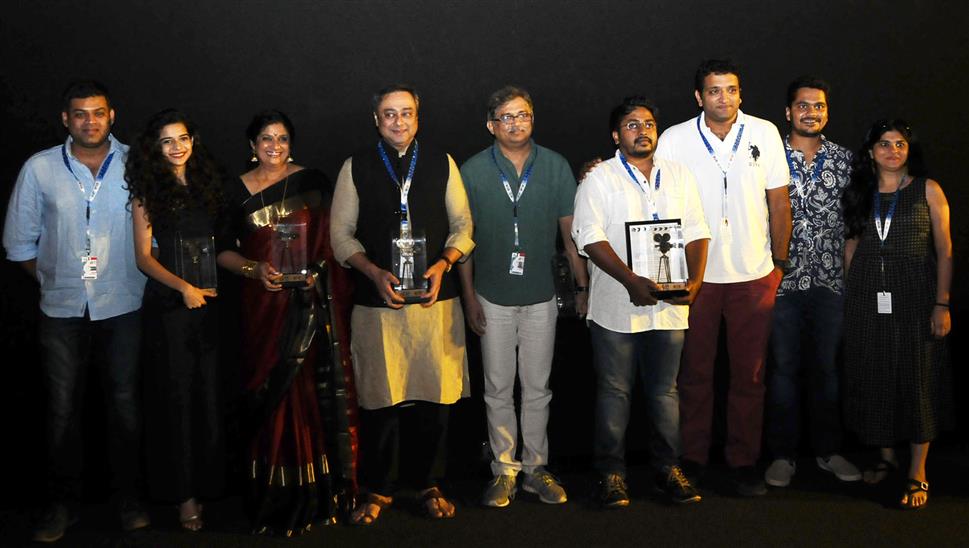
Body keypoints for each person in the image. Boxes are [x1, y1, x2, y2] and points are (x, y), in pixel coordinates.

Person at [3, 80, 149, 542]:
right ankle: (60, 507)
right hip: (62, 308)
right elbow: (19, 243)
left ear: (113, 115)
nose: (90, 121)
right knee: (62, 411)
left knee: (124, 407)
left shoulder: (139, 165)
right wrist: (55, 279)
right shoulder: (39, 168)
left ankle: (129, 501)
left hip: (124, 304)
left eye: (98, 113)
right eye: (80, 114)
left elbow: (157, 238)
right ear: (65, 119)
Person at [331, 84, 474, 524]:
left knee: (435, 401)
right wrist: (373, 272)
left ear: (418, 117)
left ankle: (429, 484)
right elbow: (340, 237)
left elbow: (463, 224)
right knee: (380, 400)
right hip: (378, 303)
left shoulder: (441, 162)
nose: (398, 121)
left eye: (406, 113)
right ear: (376, 120)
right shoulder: (355, 166)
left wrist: (444, 264)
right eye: (389, 114)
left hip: (435, 300)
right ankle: (377, 488)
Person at [654, 59, 792, 496]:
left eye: (731, 89)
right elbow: (653, 194)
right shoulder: (674, 139)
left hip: (754, 274)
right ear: (699, 97)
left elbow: (779, 202)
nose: (723, 98)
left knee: (748, 376)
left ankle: (742, 461)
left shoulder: (765, 132)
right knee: (693, 374)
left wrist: (779, 263)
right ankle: (692, 458)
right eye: (714, 91)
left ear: (741, 93)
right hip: (698, 278)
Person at [218, 110, 358, 535]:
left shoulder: (312, 183)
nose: (274, 147)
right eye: (265, 139)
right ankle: (268, 497)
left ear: (291, 143)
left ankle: (317, 495)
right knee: (269, 390)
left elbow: (332, 244)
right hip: (262, 308)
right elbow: (223, 250)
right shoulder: (235, 191)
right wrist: (254, 270)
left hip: (310, 307)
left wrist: (315, 276)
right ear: (252, 146)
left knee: (307, 395)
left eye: (281, 139)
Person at [573, 96, 711, 507]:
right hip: (617, 305)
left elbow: (698, 230)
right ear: (616, 135)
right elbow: (588, 236)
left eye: (648, 123)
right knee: (614, 392)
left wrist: (697, 283)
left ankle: (668, 469)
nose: (642, 131)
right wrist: (631, 280)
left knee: (665, 393)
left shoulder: (680, 175)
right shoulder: (599, 179)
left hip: (670, 307)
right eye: (631, 125)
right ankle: (611, 475)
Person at [458, 86, 588, 508]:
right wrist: (469, 299)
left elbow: (571, 238)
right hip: (491, 296)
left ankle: (535, 468)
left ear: (534, 119)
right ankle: (504, 470)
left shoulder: (554, 166)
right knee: (497, 387)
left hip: (542, 296)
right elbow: (462, 242)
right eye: (506, 117)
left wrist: (581, 289)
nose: (516, 123)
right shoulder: (473, 170)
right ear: (491, 125)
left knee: (538, 387)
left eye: (523, 115)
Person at [841, 119, 953, 510]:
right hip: (867, 299)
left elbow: (946, 251)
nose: (893, 151)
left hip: (916, 298)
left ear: (910, 149)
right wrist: (849, 296)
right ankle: (886, 458)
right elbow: (851, 249)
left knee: (917, 377)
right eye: (884, 144)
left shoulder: (928, 190)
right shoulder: (859, 193)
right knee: (877, 375)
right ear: (871, 151)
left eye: (900, 144)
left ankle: (918, 470)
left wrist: (942, 304)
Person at [126, 109, 227, 531]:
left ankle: (211, 488)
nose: (176, 147)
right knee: (178, 401)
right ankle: (184, 497)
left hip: (211, 306)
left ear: (193, 140)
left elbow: (222, 245)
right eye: (167, 141)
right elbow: (143, 258)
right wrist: (183, 288)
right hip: (170, 310)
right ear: (155, 148)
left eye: (182, 138)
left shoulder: (208, 185)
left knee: (210, 398)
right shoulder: (145, 192)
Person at [763, 77, 861, 487]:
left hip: (829, 282)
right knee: (782, 370)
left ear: (827, 112)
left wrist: (850, 279)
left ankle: (828, 451)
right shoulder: (767, 157)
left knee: (826, 371)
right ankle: (782, 456)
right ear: (788, 112)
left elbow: (855, 225)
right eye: (802, 106)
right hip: (780, 283)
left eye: (818, 106)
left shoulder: (847, 160)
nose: (811, 112)